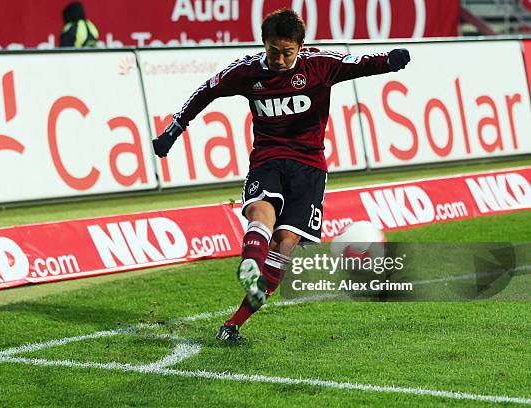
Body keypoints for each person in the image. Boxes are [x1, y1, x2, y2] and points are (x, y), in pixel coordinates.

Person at [152, 8, 410, 343]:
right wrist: (174, 129)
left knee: (284, 244)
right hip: (268, 159)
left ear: (300, 47)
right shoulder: (247, 71)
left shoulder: (320, 64)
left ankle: (232, 325)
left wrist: (390, 58)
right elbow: (206, 90)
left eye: (287, 52)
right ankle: (249, 268)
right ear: (265, 44)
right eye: (273, 51)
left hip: (309, 167)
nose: (280, 59)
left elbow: (359, 63)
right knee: (261, 213)